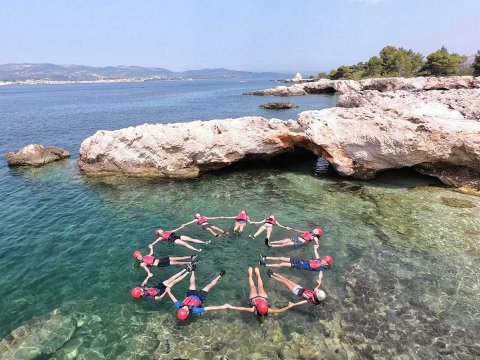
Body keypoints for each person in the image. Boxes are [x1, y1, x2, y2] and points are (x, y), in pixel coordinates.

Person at [226, 267, 302, 316]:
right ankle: (254, 274)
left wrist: (288, 306)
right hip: (254, 298)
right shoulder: (261, 310)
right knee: (256, 286)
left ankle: (254, 274)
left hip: (262, 298)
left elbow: (279, 311)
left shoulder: (256, 309)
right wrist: (231, 307)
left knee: (258, 286)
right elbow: (279, 310)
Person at [259, 244, 333, 281]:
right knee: (282, 258)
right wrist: (315, 249)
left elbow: (321, 275)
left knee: (282, 264)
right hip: (299, 261)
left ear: (326, 263)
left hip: (299, 266)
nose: (323, 259)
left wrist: (319, 280)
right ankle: (265, 257)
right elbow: (317, 255)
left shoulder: (321, 269)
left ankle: (265, 264)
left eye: (324, 260)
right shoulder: (320, 260)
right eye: (324, 258)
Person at [132, 246, 198, 286]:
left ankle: (191, 257)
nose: (140, 257)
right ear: (137, 258)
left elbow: (151, 253)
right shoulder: (142, 263)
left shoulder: (146, 256)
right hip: (159, 264)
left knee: (176, 258)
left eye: (140, 255)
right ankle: (189, 262)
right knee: (176, 262)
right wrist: (149, 273)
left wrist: (151, 247)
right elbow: (146, 268)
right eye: (138, 257)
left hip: (161, 259)